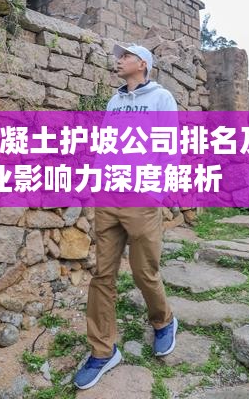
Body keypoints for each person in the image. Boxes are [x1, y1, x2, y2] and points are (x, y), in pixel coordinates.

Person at [74, 44, 178, 390]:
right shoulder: (114, 101)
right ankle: (103, 351)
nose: (118, 60)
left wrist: (157, 192)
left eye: (125, 56)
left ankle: (163, 321)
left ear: (142, 64)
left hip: (141, 198)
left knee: (144, 271)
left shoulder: (161, 98)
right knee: (102, 275)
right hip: (109, 197)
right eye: (118, 56)